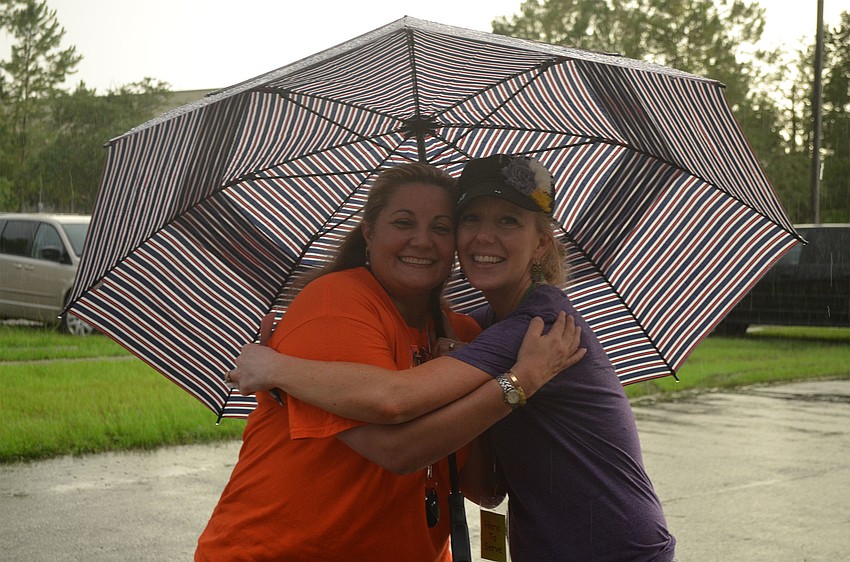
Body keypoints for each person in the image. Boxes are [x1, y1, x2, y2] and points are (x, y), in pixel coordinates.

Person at [230, 154, 677, 561]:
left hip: (615, 549)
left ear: (541, 244)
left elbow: (395, 402)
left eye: (508, 221)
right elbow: (487, 486)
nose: (485, 235)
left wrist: (277, 369)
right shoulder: (470, 326)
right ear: (369, 231)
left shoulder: (535, 327)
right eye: (471, 219)